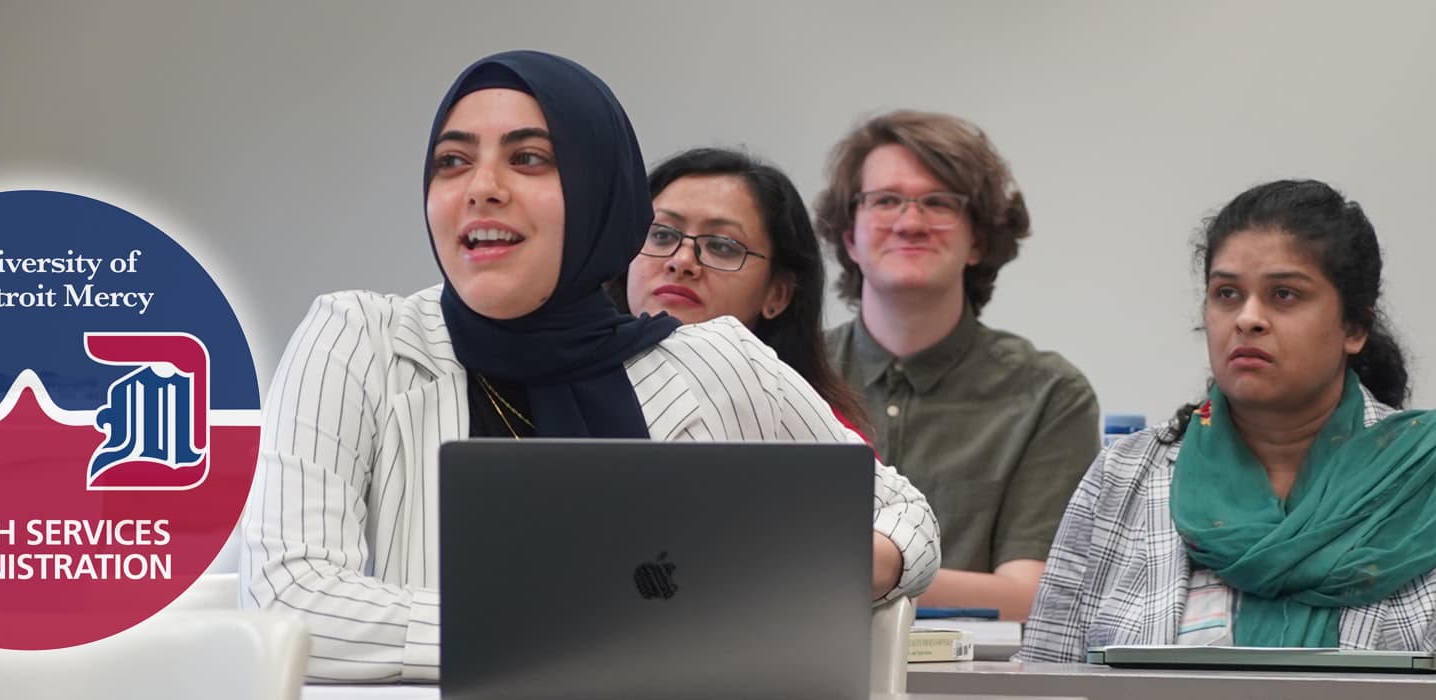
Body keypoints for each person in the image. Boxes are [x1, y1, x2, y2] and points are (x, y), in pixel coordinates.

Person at [241, 51, 940, 684]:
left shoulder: (711, 359)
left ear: (601, 191)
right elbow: (289, 596)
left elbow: (904, 514)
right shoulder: (361, 339)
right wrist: (579, 628)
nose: (481, 186)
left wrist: (805, 571)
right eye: (452, 161)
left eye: (530, 159)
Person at [1016, 179, 1436, 672]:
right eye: (1226, 293)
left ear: (1354, 328)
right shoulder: (1126, 475)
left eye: (1285, 295)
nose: (1247, 318)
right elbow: (1045, 674)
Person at [815, 110, 1099, 620]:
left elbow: (1031, 598)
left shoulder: (1050, 394)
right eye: (885, 201)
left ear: (979, 241)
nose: (910, 222)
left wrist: (845, 568)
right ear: (849, 236)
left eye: (938, 203)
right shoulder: (788, 375)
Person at [613, 146, 872, 439]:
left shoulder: (814, 426)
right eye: (661, 235)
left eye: (722, 246)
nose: (682, 261)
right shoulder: (567, 381)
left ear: (778, 294)